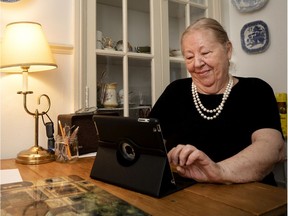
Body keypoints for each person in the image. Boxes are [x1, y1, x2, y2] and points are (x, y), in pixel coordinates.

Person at [149, 18, 285, 186]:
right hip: (183, 195)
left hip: (248, 197)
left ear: (227, 50)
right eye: (189, 57)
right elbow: (147, 142)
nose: (197, 64)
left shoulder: (256, 90)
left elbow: (272, 147)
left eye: (205, 53)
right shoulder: (175, 91)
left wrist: (217, 171)